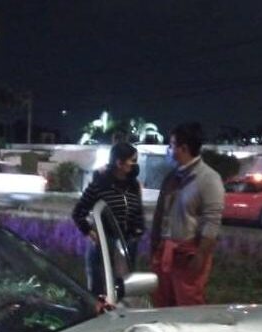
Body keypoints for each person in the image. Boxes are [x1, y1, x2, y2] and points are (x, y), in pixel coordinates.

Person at [149, 122, 224, 307]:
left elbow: (212, 222)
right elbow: (160, 214)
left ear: (183, 148)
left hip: (188, 256)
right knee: (162, 305)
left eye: (172, 145)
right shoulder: (172, 177)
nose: (169, 149)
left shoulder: (208, 179)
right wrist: (154, 246)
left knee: (187, 307)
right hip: (165, 253)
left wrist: (200, 256)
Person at [72, 141, 145, 295]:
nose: (135, 165)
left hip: (126, 245)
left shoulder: (133, 185)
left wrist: (137, 232)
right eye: (132, 161)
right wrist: (89, 232)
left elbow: (137, 212)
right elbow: (78, 212)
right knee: (99, 291)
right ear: (119, 163)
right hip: (104, 246)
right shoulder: (100, 184)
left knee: (123, 291)